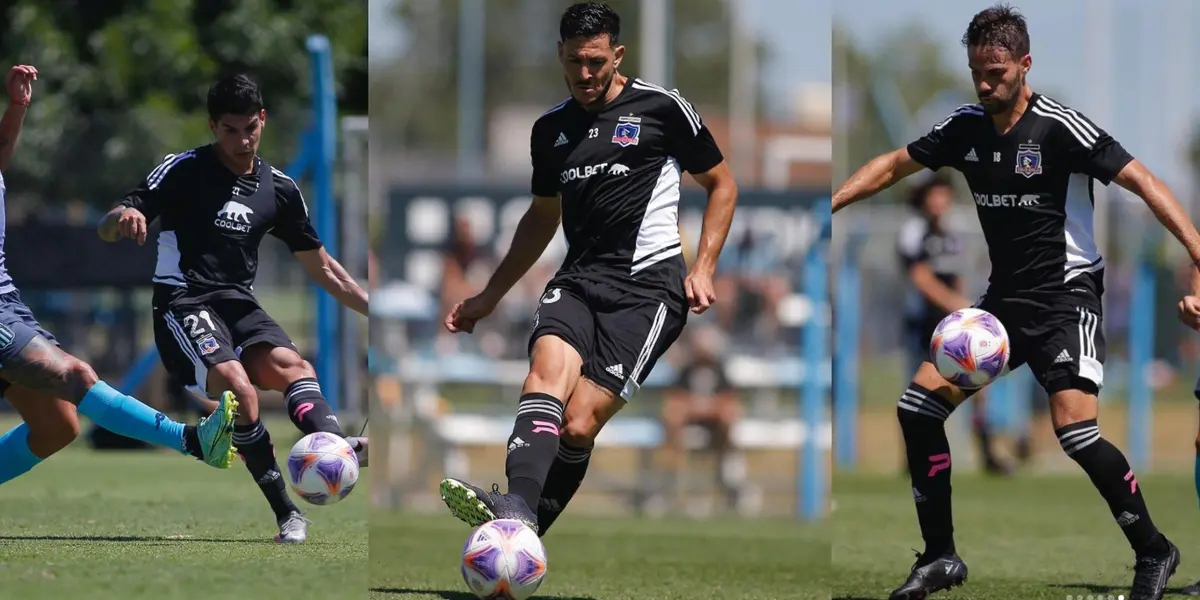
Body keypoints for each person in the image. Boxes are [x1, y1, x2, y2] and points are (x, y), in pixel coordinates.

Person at [832, 6, 1198, 600]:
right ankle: (941, 557)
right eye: (977, 71)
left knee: (1075, 432)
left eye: (997, 72)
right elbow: (892, 166)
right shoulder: (965, 126)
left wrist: (1197, 247)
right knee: (916, 408)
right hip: (1001, 306)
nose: (985, 83)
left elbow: (1143, 180)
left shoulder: (1061, 129)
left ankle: (1154, 550)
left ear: (1025, 65)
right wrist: (833, 204)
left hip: (1066, 297)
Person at [437, 1, 738, 536]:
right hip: (576, 282)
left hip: (648, 291)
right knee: (545, 375)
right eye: (574, 60)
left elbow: (723, 185)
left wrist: (706, 267)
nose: (584, 73)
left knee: (578, 424)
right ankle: (517, 514)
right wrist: (489, 296)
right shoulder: (549, 130)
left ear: (617, 54)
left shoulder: (663, 109)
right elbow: (542, 216)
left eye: (596, 61)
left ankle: (523, 527)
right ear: (560, 54)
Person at [97, 74, 370, 544]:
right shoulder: (182, 170)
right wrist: (123, 217)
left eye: (250, 128)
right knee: (240, 389)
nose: (242, 141)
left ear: (262, 119)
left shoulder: (280, 189)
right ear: (212, 126)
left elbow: (324, 267)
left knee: (295, 366)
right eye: (230, 130)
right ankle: (288, 514)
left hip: (237, 303)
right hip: (182, 302)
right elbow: (110, 223)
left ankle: (335, 447)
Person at [0, 64, 238, 488]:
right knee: (76, 377)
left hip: (9, 302)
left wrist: (17, 108)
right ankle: (193, 440)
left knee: (58, 426)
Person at [897, 175, 1008, 475]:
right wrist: (955, 303)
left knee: (978, 385)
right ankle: (913, 457)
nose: (939, 201)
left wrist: (965, 312)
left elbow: (958, 273)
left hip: (954, 325)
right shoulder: (913, 231)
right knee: (919, 389)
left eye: (943, 195)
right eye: (934, 195)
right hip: (924, 324)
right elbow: (920, 278)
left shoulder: (953, 232)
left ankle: (987, 452)